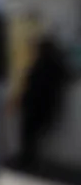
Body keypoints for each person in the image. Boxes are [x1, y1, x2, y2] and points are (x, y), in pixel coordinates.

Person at [19, 35, 70, 169]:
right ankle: (29, 159)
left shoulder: (41, 64)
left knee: (29, 133)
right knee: (34, 133)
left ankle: (27, 159)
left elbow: (32, 84)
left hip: (37, 104)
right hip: (46, 104)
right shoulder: (57, 63)